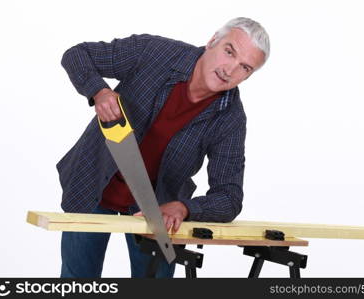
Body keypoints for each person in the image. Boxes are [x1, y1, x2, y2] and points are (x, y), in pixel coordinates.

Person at [58, 17, 270, 278]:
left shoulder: (231, 119)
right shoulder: (154, 52)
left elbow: (229, 197)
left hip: (158, 211)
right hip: (92, 186)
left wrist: (185, 208)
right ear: (213, 41)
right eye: (229, 52)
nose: (230, 70)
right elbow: (78, 55)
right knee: (77, 282)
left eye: (245, 68)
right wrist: (98, 91)